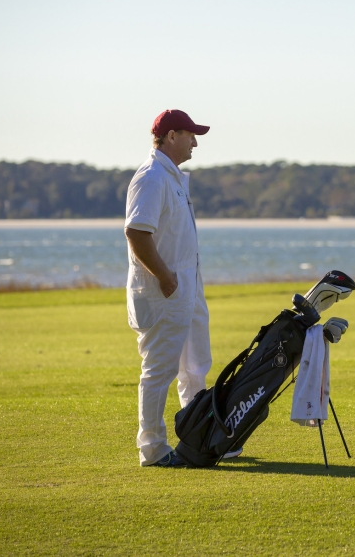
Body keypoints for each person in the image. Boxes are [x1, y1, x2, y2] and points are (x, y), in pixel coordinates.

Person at [124, 110, 231, 467]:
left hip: (186, 288)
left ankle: (200, 437)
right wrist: (166, 277)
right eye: (190, 135)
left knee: (195, 366)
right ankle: (153, 449)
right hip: (163, 291)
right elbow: (137, 232)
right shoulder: (152, 177)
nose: (195, 142)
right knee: (159, 370)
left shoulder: (172, 177)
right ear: (171, 136)